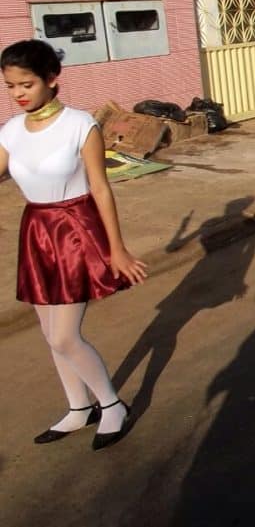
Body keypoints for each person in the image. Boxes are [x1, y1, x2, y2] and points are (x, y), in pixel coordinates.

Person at [0, 40, 148, 450]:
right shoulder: (10, 131)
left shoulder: (80, 125)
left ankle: (112, 405)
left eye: (26, 84)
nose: (18, 94)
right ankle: (79, 408)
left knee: (65, 336)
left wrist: (117, 249)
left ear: (52, 78)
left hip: (75, 231)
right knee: (50, 333)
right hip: (37, 231)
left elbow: (101, 189)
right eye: (10, 86)